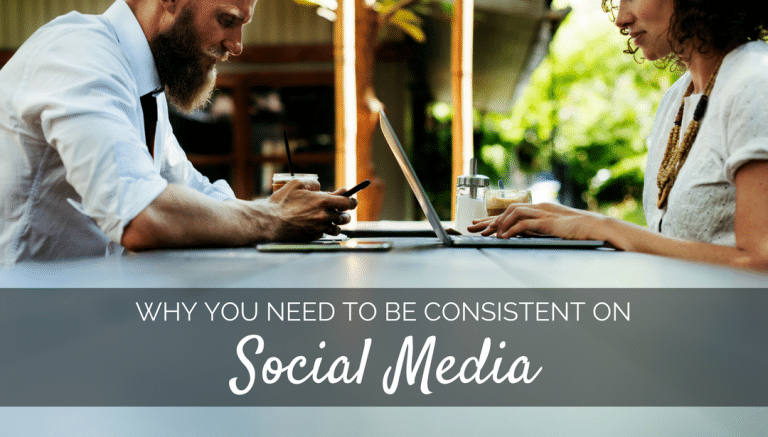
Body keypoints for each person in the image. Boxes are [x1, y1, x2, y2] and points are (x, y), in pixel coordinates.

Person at [0, 0, 356, 264]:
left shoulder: (142, 83)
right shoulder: (79, 55)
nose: (237, 45)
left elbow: (194, 192)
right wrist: (274, 218)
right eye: (227, 20)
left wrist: (283, 209)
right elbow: (143, 216)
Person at [469, 0, 768, 269]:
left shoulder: (755, 80)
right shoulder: (677, 99)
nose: (621, 19)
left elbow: (760, 261)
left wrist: (606, 228)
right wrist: (573, 220)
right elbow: (675, 245)